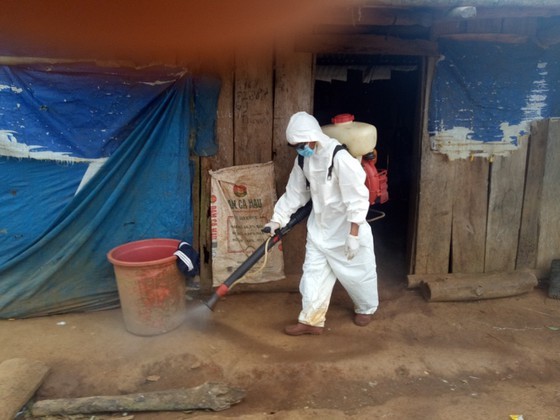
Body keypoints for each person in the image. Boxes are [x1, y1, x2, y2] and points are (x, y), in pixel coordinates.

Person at [263, 111, 378, 336]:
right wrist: (276, 220)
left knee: (358, 273)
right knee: (313, 274)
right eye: (295, 145)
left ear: (313, 137)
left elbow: (357, 197)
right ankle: (310, 320)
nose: (299, 148)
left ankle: (366, 308)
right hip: (320, 227)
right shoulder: (303, 158)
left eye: (302, 144)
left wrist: (354, 234)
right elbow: (295, 193)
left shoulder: (339, 157)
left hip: (346, 228)